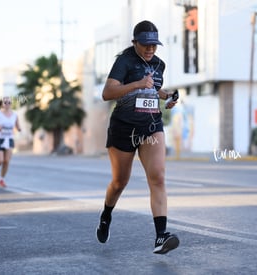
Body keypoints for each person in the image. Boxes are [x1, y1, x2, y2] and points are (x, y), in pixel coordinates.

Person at [96, 20, 179, 254]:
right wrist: (136, 84)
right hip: (124, 128)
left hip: (150, 126)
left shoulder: (160, 64)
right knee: (120, 182)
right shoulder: (124, 62)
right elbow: (107, 93)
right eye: (145, 45)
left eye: (154, 45)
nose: (150, 49)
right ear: (135, 42)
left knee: (158, 177)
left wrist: (167, 96)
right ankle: (106, 215)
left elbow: (154, 90)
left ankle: (160, 237)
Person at [0, 97, 21, 188]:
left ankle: (1, 179)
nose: (7, 104)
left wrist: (19, 129)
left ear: (11, 103)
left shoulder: (15, 114)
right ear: (2, 104)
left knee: (6, 161)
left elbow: (17, 125)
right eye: (5, 102)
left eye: (9, 102)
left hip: (9, 139)